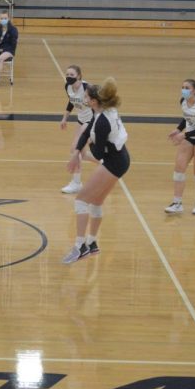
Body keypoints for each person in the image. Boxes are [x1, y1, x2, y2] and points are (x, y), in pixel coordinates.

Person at [63, 79, 130, 264]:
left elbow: (99, 153)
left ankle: (80, 246)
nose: (83, 98)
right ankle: (92, 243)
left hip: (114, 161)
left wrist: (83, 155)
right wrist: (76, 152)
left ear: (93, 101)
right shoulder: (102, 111)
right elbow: (85, 133)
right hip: (119, 158)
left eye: (86, 96)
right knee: (97, 202)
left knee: (81, 201)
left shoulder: (102, 122)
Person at [165, 79, 195, 215]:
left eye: (187, 87)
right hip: (189, 136)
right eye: (182, 87)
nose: (184, 90)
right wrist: (178, 129)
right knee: (179, 168)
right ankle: (177, 203)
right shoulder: (183, 101)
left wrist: (183, 135)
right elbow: (186, 118)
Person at [59, 64, 92, 194]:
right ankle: (105, 163)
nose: (69, 77)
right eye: (67, 75)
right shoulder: (67, 87)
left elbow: (100, 102)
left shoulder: (87, 88)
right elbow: (71, 102)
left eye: (72, 75)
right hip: (81, 119)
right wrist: (64, 118)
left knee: (75, 149)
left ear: (79, 76)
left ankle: (76, 183)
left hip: (91, 120)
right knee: (81, 153)